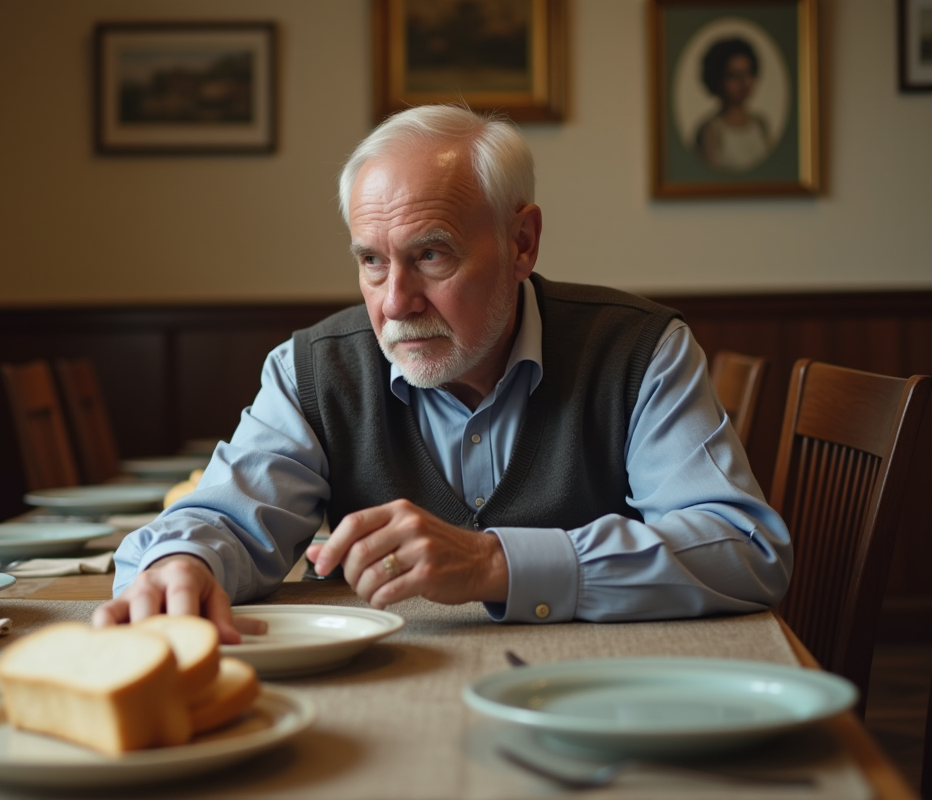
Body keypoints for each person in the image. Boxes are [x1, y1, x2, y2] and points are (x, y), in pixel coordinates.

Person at [94, 105, 792, 643]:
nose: (395, 302)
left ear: (522, 243)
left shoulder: (639, 352)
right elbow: (221, 517)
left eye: (431, 255)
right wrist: (180, 565)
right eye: (371, 260)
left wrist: (497, 564)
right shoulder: (311, 370)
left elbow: (745, 549)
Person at [694, 37, 772, 172]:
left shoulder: (761, 125)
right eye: (734, 75)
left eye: (747, 73)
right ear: (718, 79)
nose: (743, 82)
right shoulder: (711, 130)